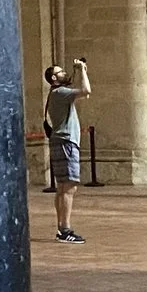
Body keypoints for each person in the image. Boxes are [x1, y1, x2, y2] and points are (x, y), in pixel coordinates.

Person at [44, 59, 90, 242]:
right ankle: (65, 230)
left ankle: (61, 227)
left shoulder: (56, 93)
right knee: (69, 187)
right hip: (66, 143)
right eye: (60, 72)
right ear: (54, 78)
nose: (64, 73)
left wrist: (77, 71)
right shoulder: (60, 92)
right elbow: (86, 91)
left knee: (62, 187)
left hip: (60, 142)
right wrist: (83, 70)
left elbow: (77, 89)